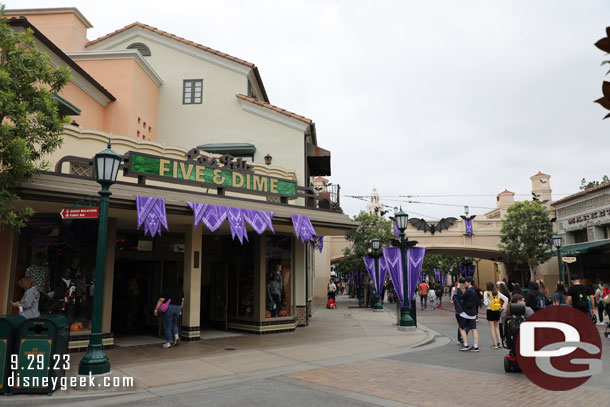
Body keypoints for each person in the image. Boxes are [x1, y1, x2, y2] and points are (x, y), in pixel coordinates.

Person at [154, 279, 184, 348]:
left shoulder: (166, 289)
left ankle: (168, 343)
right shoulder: (180, 289)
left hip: (169, 308)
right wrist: (180, 309)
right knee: (174, 323)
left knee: (167, 326)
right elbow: (182, 300)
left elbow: (161, 300)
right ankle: (176, 338)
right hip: (178, 307)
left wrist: (156, 309)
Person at [483, 281, 508, 349]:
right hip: (497, 310)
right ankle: (499, 342)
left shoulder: (486, 293)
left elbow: (485, 303)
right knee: (496, 327)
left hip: (490, 310)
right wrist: (502, 307)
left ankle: (494, 344)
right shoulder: (497, 292)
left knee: (492, 328)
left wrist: (489, 303)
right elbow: (506, 299)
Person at [458, 276, 479, 352]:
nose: (465, 283)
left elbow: (460, 297)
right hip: (473, 313)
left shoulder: (469, 290)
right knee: (474, 329)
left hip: (466, 312)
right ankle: (476, 346)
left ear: (469, 282)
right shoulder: (474, 290)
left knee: (462, 328)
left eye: (466, 282)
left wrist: (458, 289)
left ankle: (466, 345)